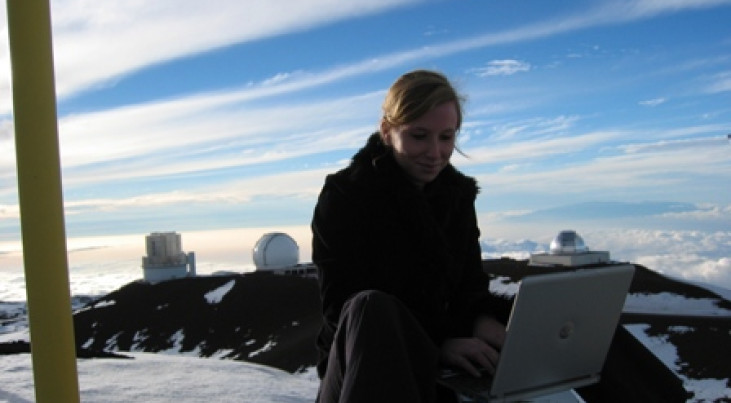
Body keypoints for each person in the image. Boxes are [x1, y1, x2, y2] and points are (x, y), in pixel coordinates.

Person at [311, 69, 513, 403]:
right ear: (388, 132)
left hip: (444, 368)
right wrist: (439, 345)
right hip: (361, 370)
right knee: (371, 307)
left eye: (446, 137)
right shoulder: (347, 195)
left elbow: (469, 286)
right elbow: (342, 309)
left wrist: (483, 320)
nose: (435, 152)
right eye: (419, 136)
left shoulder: (456, 197)